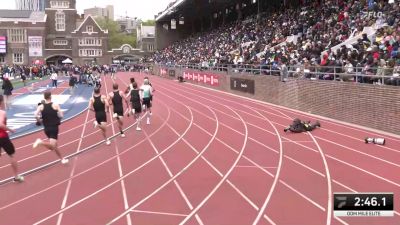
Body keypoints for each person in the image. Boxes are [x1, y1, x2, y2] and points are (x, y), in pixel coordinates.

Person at [33, 91, 69, 164]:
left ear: (44, 97)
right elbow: (61, 115)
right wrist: (59, 117)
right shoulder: (55, 105)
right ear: (50, 97)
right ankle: (40, 142)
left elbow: (35, 115)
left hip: (46, 129)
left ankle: (62, 159)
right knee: (52, 146)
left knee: (54, 146)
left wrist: (39, 121)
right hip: (54, 128)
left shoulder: (41, 106)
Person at [0, 95, 24, 182]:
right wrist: (11, 130)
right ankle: (16, 176)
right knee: (11, 155)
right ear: (1, 102)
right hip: (2, 137)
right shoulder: (2, 112)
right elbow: (1, 125)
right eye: (3, 101)